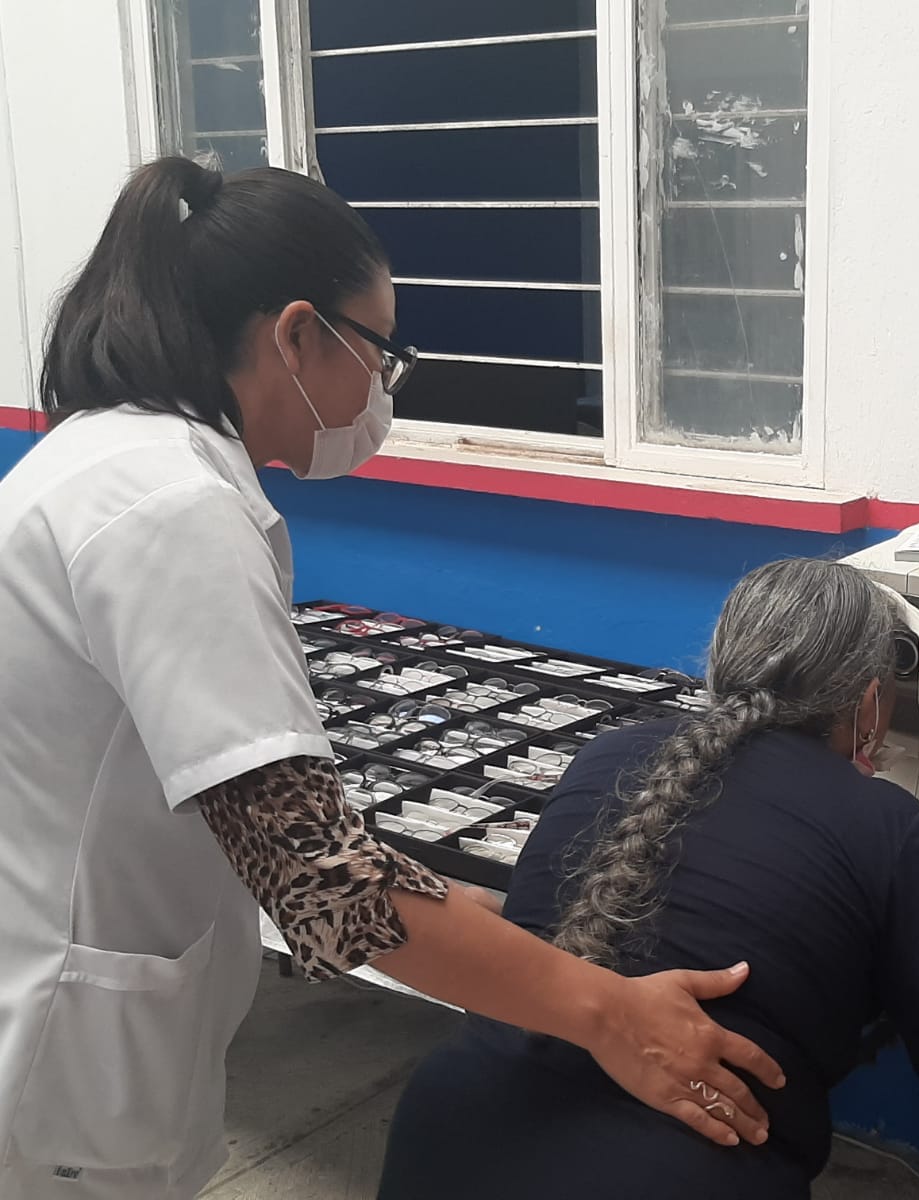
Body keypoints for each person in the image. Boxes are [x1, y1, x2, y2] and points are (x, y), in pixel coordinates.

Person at [0, 158, 785, 1200]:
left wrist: (448, 906)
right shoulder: (173, 508)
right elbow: (322, 884)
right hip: (66, 1060)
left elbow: (264, 816)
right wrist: (610, 1014)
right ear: (296, 336)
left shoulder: (106, 455)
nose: (384, 388)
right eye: (381, 352)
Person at [377, 559, 919, 1200]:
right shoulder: (889, 826)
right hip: (674, 1173)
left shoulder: (606, 755)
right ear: (871, 703)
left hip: (447, 1130)